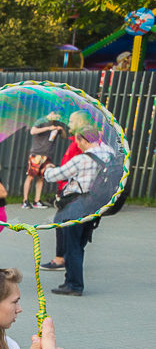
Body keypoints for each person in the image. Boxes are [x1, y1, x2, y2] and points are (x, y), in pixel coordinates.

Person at [42, 126, 117, 296]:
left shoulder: (82, 159)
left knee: (72, 245)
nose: (77, 144)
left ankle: (74, 285)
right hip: (95, 205)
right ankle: (70, 280)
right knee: (79, 245)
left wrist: (47, 169)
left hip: (76, 204)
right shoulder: (109, 154)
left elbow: (55, 175)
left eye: (78, 140)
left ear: (83, 140)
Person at [22, 112, 68, 209]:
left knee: (41, 177)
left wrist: (62, 130)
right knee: (30, 176)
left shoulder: (56, 124)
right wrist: (48, 128)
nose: (58, 117)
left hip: (47, 154)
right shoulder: (42, 121)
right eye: (56, 114)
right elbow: (32, 131)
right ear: (51, 113)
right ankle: (25, 201)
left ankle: (37, 200)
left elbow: (64, 137)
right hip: (36, 152)